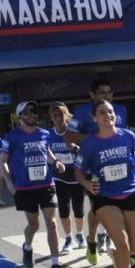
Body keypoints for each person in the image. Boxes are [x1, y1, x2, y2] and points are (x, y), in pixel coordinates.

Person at [75, 100, 135, 268]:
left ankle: (119, 257)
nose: (107, 115)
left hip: (130, 192)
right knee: (122, 242)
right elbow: (79, 172)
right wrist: (87, 186)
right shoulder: (90, 143)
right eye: (102, 112)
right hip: (105, 196)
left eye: (110, 111)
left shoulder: (128, 136)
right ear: (95, 118)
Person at [1, 101, 67, 268]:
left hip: (46, 184)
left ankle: (55, 264)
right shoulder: (12, 137)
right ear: (20, 116)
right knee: (34, 225)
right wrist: (10, 184)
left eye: (34, 112)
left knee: (52, 223)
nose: (32, 115)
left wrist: (56, 162)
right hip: (25, 187)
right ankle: (28, 247)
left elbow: (47, 153)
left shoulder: (44, 134)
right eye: (28, 112)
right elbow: (2, 162)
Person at [67, 78, 129, 264]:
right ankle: (93, 239)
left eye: (109, 92)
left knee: (120, 205)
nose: (106, 96)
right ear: (92, 95)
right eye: (102, 92)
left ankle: (113, 240)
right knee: (97, 207)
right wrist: (96, 138)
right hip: (92, 167)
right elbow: (69, 137)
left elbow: (123, 136)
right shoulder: (83, 112)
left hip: (118, 165)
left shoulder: (121, 110)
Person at [46, 103, 86, 254]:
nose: (58, 118)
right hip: (59, 176)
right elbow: (46, 153)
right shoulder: (48, 134)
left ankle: (80, 235)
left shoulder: (73, 133)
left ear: (66, 115)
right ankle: (69, 238)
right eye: (54, 115)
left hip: (76, 174)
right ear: (51, 118)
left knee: (78, 207)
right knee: (63, 207)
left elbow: (86, 151)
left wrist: (75, 147)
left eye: (60, 115)